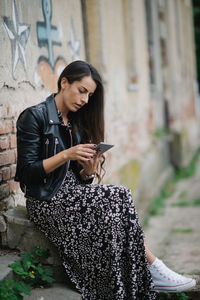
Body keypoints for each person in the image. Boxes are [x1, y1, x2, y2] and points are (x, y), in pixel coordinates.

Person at [15, 60, 196, 300]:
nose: (85, 100)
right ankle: (153, 267)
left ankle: (144, 274)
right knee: (118, 194)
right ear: (64, 82)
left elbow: (76, 182)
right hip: (45, 201)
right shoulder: (34, 116)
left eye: (90, 95)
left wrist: (87, 173)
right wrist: (67, 154)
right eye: (82, 91)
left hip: (70, 196)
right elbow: (27, 173)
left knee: (118, 201)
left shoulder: (76, 123)